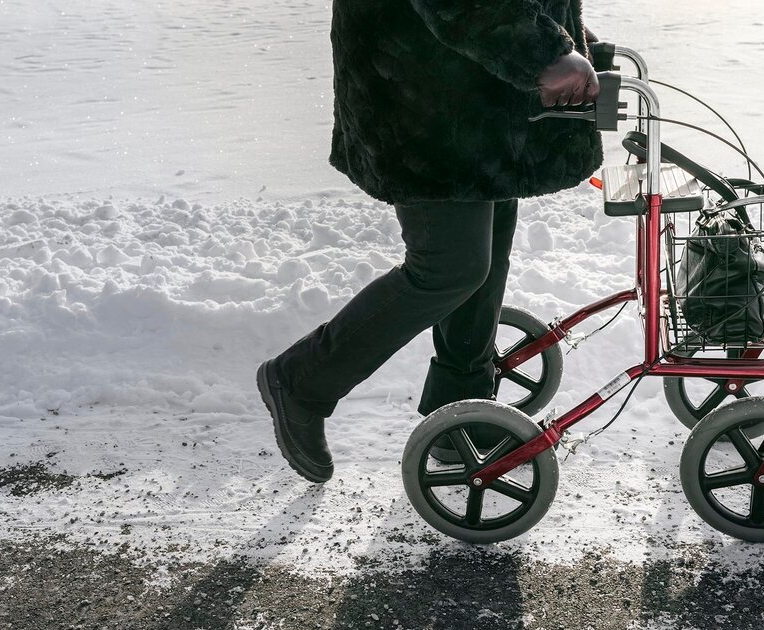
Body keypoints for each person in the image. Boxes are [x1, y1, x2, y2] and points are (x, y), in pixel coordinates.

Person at [258, 0, 605, 483]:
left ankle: (458, 409)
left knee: (484, 262)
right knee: (448, 266)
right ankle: (301, 380)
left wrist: (576, 42)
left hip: (480, 99)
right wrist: (545, 54)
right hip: (427, 100)